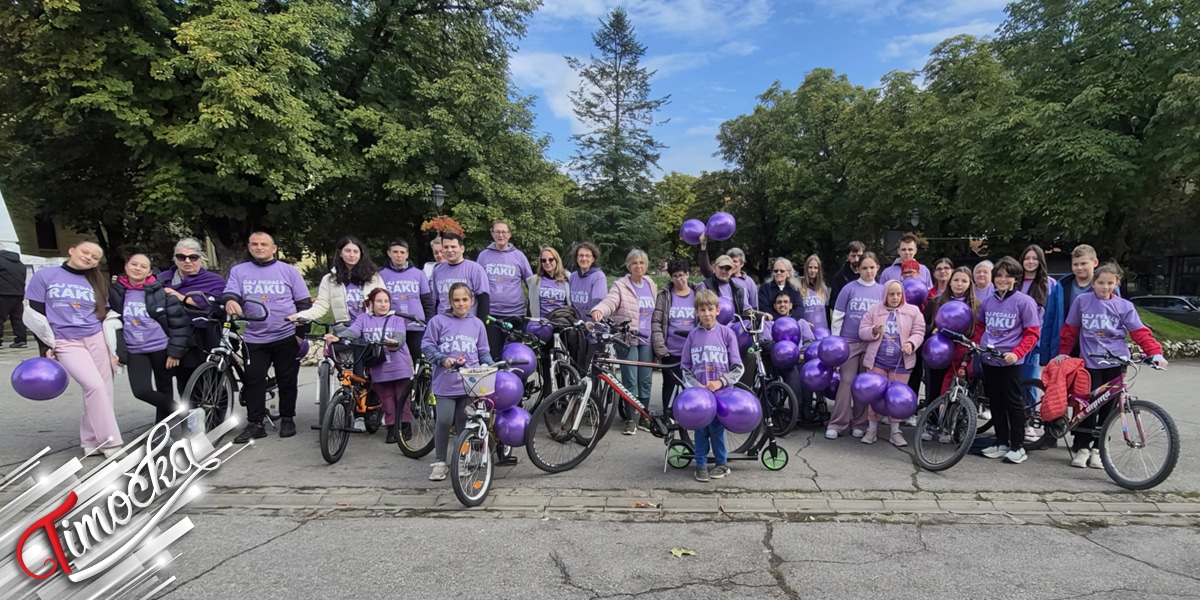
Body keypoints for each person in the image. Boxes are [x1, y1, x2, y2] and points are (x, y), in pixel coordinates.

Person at [1055, 262, 1166, 469]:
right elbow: (1070, 329)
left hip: (1116, 362)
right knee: (1088, 405)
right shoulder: (1082, 301)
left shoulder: (1124, 306)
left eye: (1109, 283)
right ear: (1093, 283)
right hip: (1090, 362)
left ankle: (1099, 448)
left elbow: (1139, 332)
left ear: (1117, 283)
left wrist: (1155, 353)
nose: (1105, 287)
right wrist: (1064, 351)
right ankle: (1082, 447)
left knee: (1109, 408)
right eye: (1100, 283)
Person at [24, 241, 122, 456]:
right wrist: (45, 346)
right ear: (72, 250)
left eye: (95, 257)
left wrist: (115, 349)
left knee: (103, 390)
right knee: (94, 386)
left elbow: (105, 313)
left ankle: (90, 441)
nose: (88, 257)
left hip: (96, 337)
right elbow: (35, 313)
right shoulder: (45, 276)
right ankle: (110, 443)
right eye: (85, 252)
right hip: (65, 341)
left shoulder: (98, 281)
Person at [221, 231, 313, 443]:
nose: (259, 247)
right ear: (249, 247)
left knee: (287, 380)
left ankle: (288, 418)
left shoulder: (289, 271)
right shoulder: (239, 271)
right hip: (254, 337)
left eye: (264, 244)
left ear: (273, 249)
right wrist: (230, 300)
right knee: (253, 381)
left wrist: (300, 335)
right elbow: (230, 292)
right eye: (254, 244)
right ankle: (256, 423)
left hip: (285, 335)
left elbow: (304, 304)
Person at [109, 253, 193, 423]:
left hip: (161, 348)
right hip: (135, 349)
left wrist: (174, 352)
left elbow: (179, 324)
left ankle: (162, 429)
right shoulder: (117, 292)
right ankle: (183, 412)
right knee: (141, 391)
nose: (137, 268)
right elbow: (111, 321)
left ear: (149, 272)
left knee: (164, 388)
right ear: (126, 267)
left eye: (143, 266)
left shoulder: (162, 293)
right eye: (134, 264)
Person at [422, 282, 493, 481]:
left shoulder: (477, 324)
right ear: (450, 301)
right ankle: (440, 462)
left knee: (464, 422)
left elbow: (483, 351)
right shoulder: (438, 321)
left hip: (469, 383)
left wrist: (491, 366)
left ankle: (462, 459)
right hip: (445, 383)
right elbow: (427, 346)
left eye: (464, 299)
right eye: (456, 300)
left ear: (471, 301)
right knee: (444, 420)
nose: (461, 304)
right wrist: (442, 359)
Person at [327, 287, 413, 444]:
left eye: (386, 301)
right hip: (378, 365)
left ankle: (405, 426)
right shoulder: (363, 318)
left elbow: (400, 336)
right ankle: (392, 427)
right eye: (379, 301)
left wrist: (395, 342)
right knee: (386, 399)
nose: (383, 304)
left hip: (399, 364)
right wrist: (338, 337)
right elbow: (353, 332)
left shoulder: (397, 319)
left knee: (402, 396)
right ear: (371, 303)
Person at [976, 257, 1041, 465]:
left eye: (1007, 276)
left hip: (1011, 361)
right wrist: (978, 344)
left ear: (1016, 278)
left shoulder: (1024, 302)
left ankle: (1017, 446)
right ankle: (1001, 442)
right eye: (999, 276)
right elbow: (980, 325)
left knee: (1013, 403)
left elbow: (1032, 333)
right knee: (995, 402)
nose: (1002, 280)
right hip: (989, 359)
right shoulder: (988, 301)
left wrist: (1017, 353)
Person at [590, 249, 658, 434]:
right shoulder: (621, 285)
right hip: (628, 339)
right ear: (628, 265)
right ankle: (630, 419)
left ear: (646, 265)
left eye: (642, 263)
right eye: (634, 263)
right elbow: (610, 302)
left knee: (646, 380)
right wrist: (599, 310)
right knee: (630, 380)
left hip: (647, 339)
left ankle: (644, 416)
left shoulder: (650, 284)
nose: (638, 266)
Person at [681, 290, 744, 483]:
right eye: (702, 310)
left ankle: (721, 464)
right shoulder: (693, 335)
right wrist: (697, 387)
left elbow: (738, 367)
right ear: (697, 312)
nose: (706, 314)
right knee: (700, 430)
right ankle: (700, 465)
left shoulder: (727, 334)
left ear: (717, 310)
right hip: (699, 396)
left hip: (722, 394)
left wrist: (720, 382)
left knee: (717, 430)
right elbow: (685, 367)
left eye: (710, 309)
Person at [858, 280, 926, 446]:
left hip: (901, 364)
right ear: (885, 295)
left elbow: (919, 331)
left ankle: (895, 431)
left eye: (898, 294)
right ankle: (872, 429)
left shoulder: (913, 311)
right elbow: (862, 331)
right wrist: (873, 330)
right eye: (891, 294)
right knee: (875, 396)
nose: (895, 297)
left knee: (897, 398)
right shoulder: (875, 310)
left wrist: (911, 343)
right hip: (877, 362)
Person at [827, 251, 884, 440]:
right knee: (846, 381)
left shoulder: (881, 291)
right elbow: (838, 316)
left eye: (872, 267)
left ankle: (860, 423)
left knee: (863, 383)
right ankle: (837, 424)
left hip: (871, 343)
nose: (868, 271)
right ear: (858, 269)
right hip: (849, 342)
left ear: (877, 268)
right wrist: (836, 343)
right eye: (864, 268)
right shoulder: (849, 289)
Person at [288, 235, 385, 330]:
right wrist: (301, 316)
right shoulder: (329, 279)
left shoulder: (373, 277)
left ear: (361, 254)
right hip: (343, 329)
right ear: (340, 253)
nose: (352, 255)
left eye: (355, 251)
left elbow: (384, 303)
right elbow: (320, 306)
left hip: (370, 328)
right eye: (347, 251)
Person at [1018, 244, 1062, 438]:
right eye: (1027, 258)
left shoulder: (1049, 284)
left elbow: (1052, 315)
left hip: (1034, 342)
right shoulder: (1014, 281)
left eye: (1035, 258)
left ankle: (1028, 422)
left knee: (1029, 382)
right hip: (1012, 341)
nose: (1030, 262)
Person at [924, 266, 981, 399]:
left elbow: (978, 330)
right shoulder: (936, 302)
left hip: (962, 353)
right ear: (950, 282)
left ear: (970, 284)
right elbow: (922, 325)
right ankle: (932, 411)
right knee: (935, 387)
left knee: (959, 390)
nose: (959, 284)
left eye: (964, 281)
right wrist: (932, 330)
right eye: (956, 280)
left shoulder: (976, 306)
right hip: (938, 350)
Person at [378, 238, 435, 369]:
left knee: (420, 363)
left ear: (407, 254)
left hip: (416, 326)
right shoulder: (381, 275)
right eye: (395, 252)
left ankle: (422, 383)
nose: (399, 255)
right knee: (395, 364)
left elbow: (427, 301)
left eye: (402, 252)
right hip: (392, 326)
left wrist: (429, 323)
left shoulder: (418, 274)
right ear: (389, 253)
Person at [478, 220, 533, 354]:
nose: (500, 235)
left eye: (504, 232)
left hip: (515, 314)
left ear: (509, 234)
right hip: (491, 314)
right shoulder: (483, 255)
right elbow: (477, 283)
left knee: (515, 355)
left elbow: (531, 283)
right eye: (497, 232)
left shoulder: (519, 256)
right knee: (493, 354)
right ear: (492, 234)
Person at [651, 259, 696, 415]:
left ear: (687, 275)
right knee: (670, 385)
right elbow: (656, 322)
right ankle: (669, 415)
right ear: (671, 277)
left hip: (692, 351)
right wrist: (660, 348)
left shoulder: (697, 294)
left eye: (681, 275)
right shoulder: (664, 296)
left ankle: (690, 415)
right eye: (675, 276)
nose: (679, 279)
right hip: (671, 351)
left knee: (691, 386)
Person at [1046, 244, 1102, 360]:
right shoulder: (1061, 286)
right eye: (1075, 264)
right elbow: (1049, 319)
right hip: (1066, 346)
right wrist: (1045, 353)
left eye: (1083, 263)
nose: (1079, 268)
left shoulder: (1107, 287)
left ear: (1095, 262)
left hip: (1096, 348)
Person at [431, 232, 490, 319]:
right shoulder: (437, 270)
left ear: (462, 248)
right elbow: (436, 300)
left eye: (453, 247)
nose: (449, 250)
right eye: (446, 247)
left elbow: (483, 300)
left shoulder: (475, 269)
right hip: (443, 321)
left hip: (467, 321)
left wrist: (480, 323)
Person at [696, 238, 753, 308]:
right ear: (714, 267)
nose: (724, 271)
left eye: (727, 269)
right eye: (721, 267)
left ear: (732, 270)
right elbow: (699, 308)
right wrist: (703, 247)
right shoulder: (705, 285)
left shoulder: (740, 290)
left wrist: (757, 313)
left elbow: (746, 309)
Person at [568, 242, 606, 322]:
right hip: (576, 324)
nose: (584, 258)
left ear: (593, 259)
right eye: (581, 255)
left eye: (587, 256)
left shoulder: (598, 276)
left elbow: (598, 301)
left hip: (592, 323)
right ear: (576, 259)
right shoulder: (573, 276)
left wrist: (590, 322)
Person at [0, 243, 28, 348]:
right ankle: (21, 340)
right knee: (17, 318)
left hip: (2, 293)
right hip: (18, 293)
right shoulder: (19, 263)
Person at [800, 255, 829, 330]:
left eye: (816, 268)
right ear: (806, 268)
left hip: (822, 330)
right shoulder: (799, 287)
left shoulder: (823, 288)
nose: (813, 270)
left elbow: (827, 312)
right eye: (810, 267)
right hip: (806, 329)